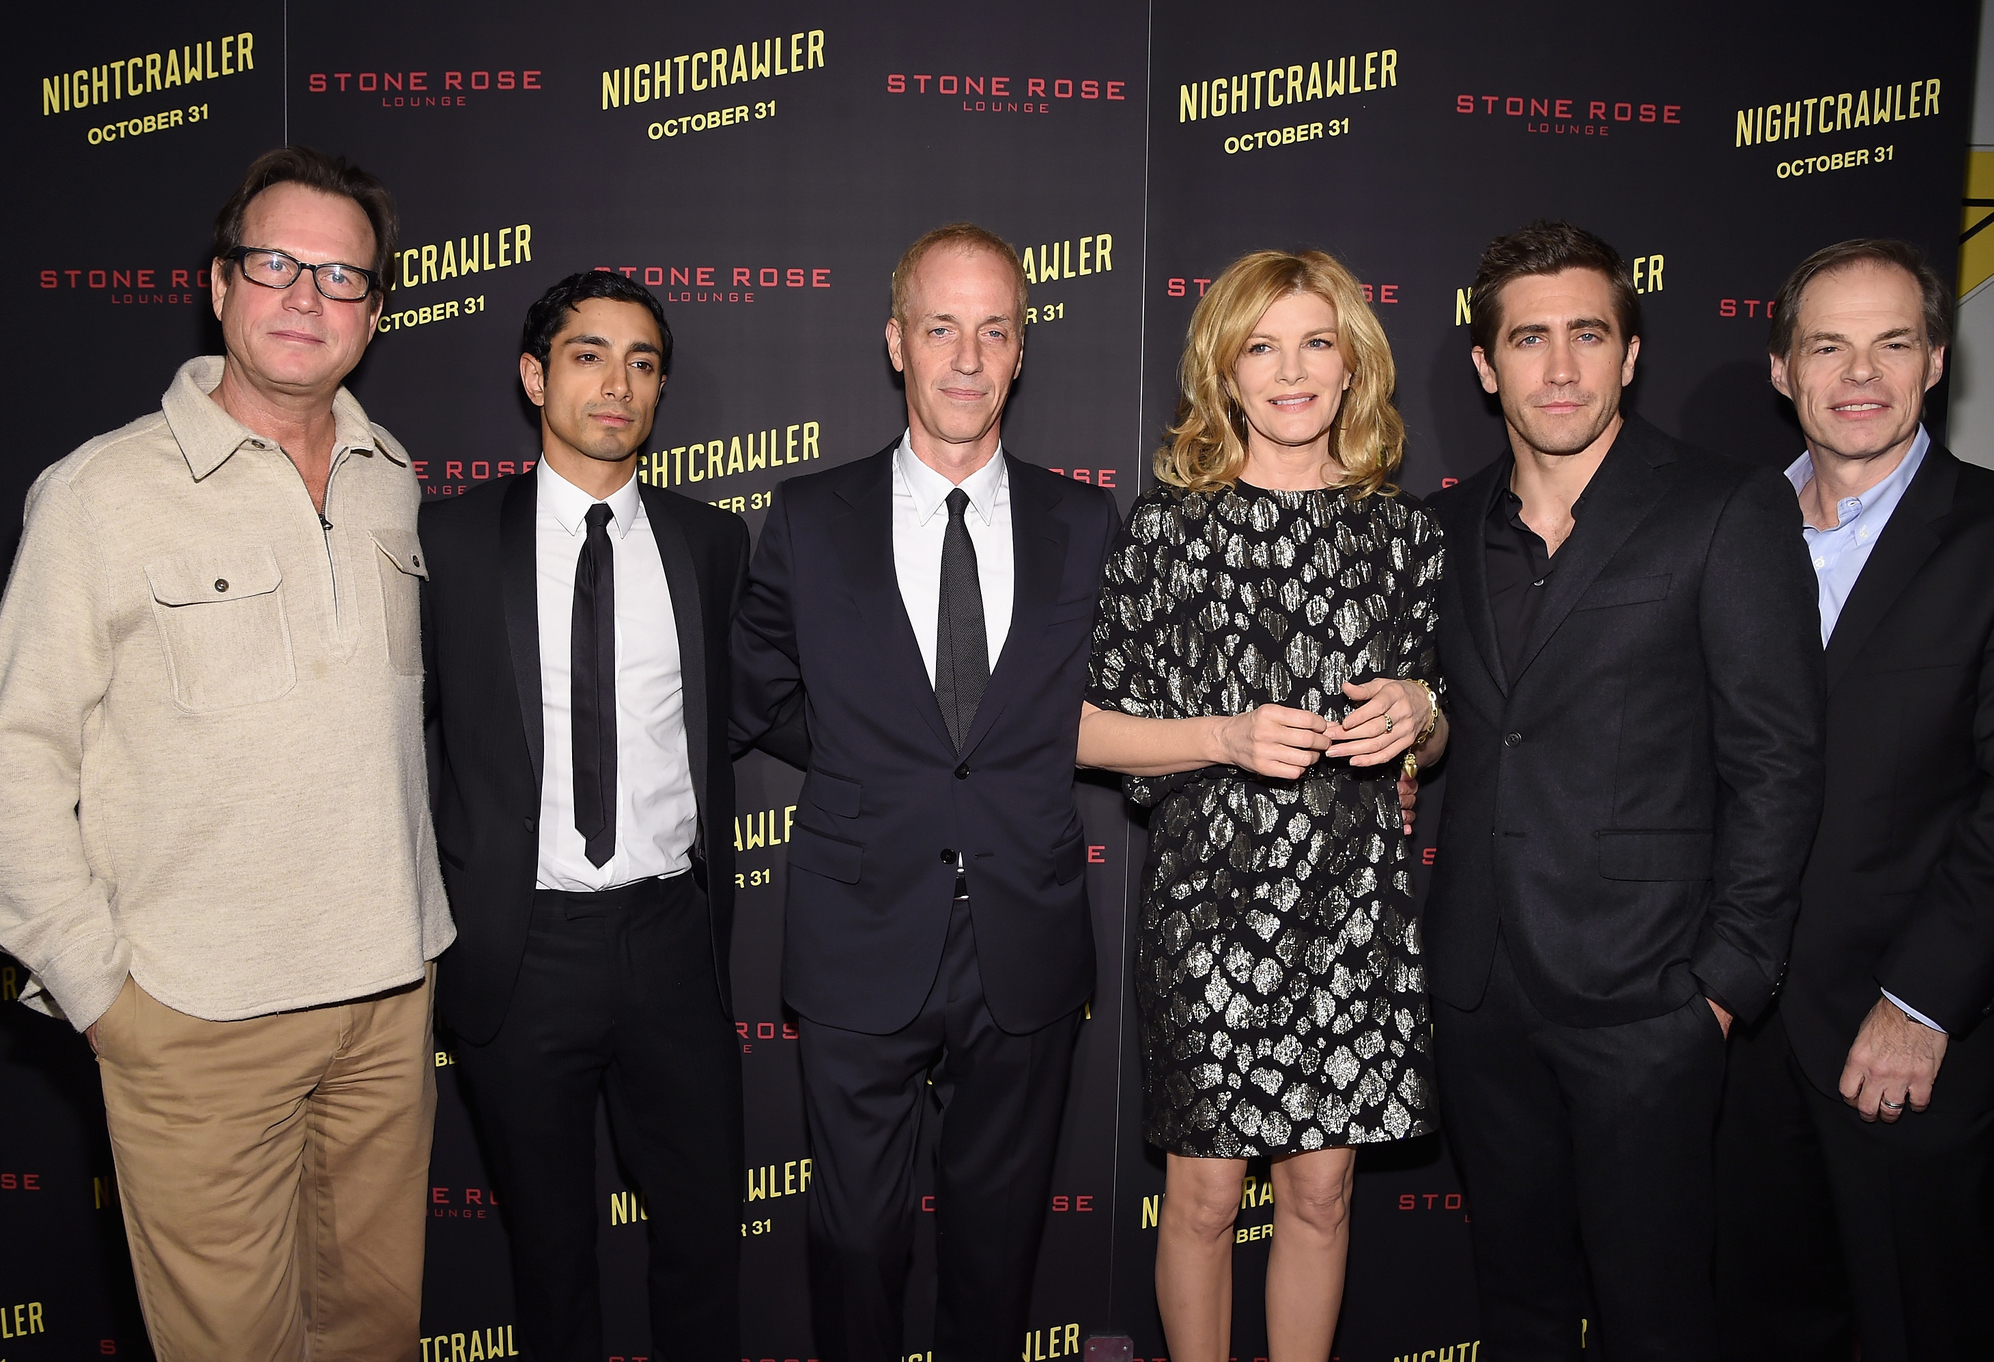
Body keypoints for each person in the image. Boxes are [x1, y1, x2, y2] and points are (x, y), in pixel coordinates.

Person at [0, 146, 451, 1359]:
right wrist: (99, 993)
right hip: (195, 1016)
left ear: (373, 312)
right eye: (276, 263)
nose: (306, 296)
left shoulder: (393, 477)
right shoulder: (101, 492)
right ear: (219, 284)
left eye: (342, 276)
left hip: (385, 998)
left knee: (376, 1334)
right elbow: (15, 757)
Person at [1421, 220, 1825, 1358]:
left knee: (1657, 1315)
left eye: (1587, 335)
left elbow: (1776, 757)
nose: (1559, 368)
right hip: (1477, 992)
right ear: (1483, 364)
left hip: (1649, 1000)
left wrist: (1720, 984)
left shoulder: (1722, 509)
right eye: (1529, 339)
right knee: (1517, 1305)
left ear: (1629, 355)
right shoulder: (1440, 528)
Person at [729, 223, 1119, 1362]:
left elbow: (1121, 707)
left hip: (1026, 935)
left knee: (998, 1254)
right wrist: (868, 758)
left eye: (992, 330)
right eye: (939, 327)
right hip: (857, 927)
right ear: (894, 342)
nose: (965, 355)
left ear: (1019, 352)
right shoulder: (808, 518)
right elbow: (754, 695)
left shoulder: (1084, 522)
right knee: (854, 1246)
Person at [1077, 249, 1446, 1362]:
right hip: (1208, 912)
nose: (1290, 371)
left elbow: (1440, 729)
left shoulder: (1403, 535)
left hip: (1352, 913)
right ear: (1222, 372)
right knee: (1197, 1198)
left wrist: (1418, 713)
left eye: (1315, 342)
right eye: (1260, 346)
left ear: (1351, 368)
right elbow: (1083, 727)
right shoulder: (1165, 530)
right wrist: (1223, 739)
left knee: (1323, 1194)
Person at [420, 271, 784, 1359]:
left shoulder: (710, 544)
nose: (615, 383)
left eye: (640, 361)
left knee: (701, 1242)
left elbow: (764, 710)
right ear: (535, 377)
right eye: (587, 354)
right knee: (548, 1250)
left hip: (671, 941)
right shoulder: (449, 541)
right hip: (517, 947)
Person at [1714, 239, 1994, 1360]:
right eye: (1827, 346)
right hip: (1737, 1035)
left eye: (1890, 343)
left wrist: (1920, 1005)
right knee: (1761, 1328)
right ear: (1780, 371)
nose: (1859, 374)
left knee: (1923, 1327)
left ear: (1934, 361)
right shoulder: (1722, 532)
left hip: (1909, 1042)